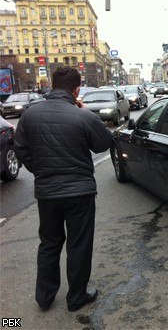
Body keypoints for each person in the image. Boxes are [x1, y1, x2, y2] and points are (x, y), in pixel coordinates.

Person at [14, 67, 113, 312]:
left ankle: (44, 298)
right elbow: (104, 142)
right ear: (77, 89)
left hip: (48, 193)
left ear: (51, 85)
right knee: (78, 244)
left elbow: (21, 148)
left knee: (49, 243)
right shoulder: (82, 116)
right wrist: (89, 114)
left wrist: (40, 171)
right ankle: (76, 297)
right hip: (80, 192)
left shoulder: (29, 115)